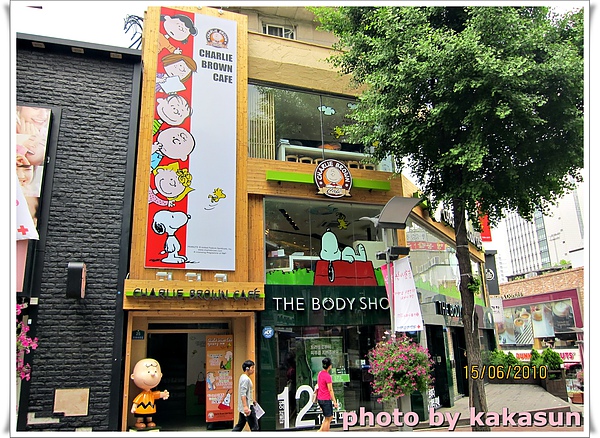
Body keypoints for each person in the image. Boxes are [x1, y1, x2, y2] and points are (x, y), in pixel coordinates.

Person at [130, 358, 170, 429]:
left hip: (150, 409)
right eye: (148, 372)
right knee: (140, 417)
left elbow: (157, 395)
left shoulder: (151, 394)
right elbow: (136, 401)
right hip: (141, 409)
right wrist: (134, 407)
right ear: (133, 376)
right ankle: (139, 422)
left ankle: (149, 421)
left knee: (150, 417)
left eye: (155, 371)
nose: (153, 374)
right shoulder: (142, 395)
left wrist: (163, 394)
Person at [232, 359, 259, 432]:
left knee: (240, 425)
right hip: (248, 406)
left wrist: (252, 400)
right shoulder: (246, 379)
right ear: (247, 368)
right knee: (254, 426)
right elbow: (243, 393)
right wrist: (245, 406)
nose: (253, 369)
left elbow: (247, 392)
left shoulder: (243, 377)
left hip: (245, 405)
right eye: (252, 367)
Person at [316, 357, 338, 432]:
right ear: (330, 366)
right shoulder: (327, 376)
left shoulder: (320, 373)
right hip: (326, 399)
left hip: (320, 398)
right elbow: (330, 390)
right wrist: (334, 401)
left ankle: (320, 431)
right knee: (328, 418)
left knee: (328, 417)